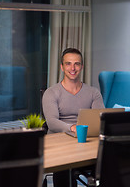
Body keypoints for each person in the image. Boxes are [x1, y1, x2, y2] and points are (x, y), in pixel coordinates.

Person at [42, 48, 105, 186]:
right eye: (68, 63)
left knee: (108, 158)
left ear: (82, 66)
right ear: (62, 66)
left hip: (85, 141)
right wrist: (72, 127)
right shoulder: (51, 93)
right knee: (64, 167)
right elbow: (51, 122)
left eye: (76, 64)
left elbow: (100, 120)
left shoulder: (93, 93)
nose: (73, 68)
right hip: (60, 142)